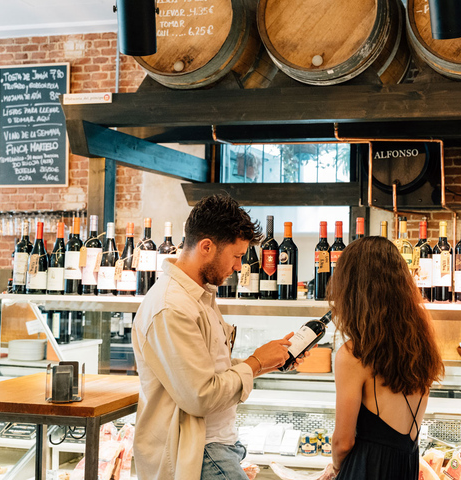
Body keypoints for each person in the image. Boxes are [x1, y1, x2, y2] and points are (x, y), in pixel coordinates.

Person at [132, 195, 295, 480]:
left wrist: (269, 361)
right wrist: (255, 363)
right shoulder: (171, 306)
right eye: (236, 256)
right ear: (206, 246)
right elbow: (200, 396)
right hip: (199, 453)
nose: (238, 267)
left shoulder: (199, 296)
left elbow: (209, 367)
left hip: (217, 445)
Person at [319, 236, 444, 480]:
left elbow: (342, 442)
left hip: (368, 469)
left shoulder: (355, 353)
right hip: (405, 464)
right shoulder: (420, 343)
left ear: (353, 288)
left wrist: (334, 469)